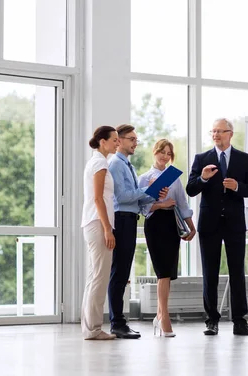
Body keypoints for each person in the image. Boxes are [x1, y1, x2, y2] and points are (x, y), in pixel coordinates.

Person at [186, 118, 248, 336]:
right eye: (213, 131)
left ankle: (239, 320)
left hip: (235, 223)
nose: (216, 135)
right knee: (210, 272)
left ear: (230, 133)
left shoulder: (244, 159)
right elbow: (190, 189)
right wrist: (204, 178)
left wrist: (238, 186)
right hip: (210, 223)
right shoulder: (202, 159)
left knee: (237, 271)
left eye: (220, 131)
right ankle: (212, 320)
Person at [107, 124, 168, 339]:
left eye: (136, 140)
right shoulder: (116, 163)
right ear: (119, 140)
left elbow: (135, 196)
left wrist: (154, 192)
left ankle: (120, 322)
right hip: (122, 219)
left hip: (130, 219)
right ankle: (117, 323)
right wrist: (146, 189)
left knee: (123, 272)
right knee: (119, 273)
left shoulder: (127, 165)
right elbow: (122, 196)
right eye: (131, 139)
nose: (135, 143)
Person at [138, 139, 197, 338]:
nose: (165, 156)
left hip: (172, 225)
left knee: (168, 273)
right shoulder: (144, 178)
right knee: (162, 272)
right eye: (161, 152)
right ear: (154, 152)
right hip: (155, 225)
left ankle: (159, 315)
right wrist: (159, 202)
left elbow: (181, 202)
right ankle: (164, 318)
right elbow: (143, 208)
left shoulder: (173, 177)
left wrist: (191, 226)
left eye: (168, 153)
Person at [80, 125, 119, 340]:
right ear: (102, 141)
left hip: (93, 223)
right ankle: (93, 329)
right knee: (99, 278)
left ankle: (89, 328)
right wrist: (107, 229)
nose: (117, 143)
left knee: (94, 276)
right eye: (114, 139)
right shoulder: (100, 163)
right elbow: (98, 199)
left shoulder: (96, 162)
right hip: (97, 224)